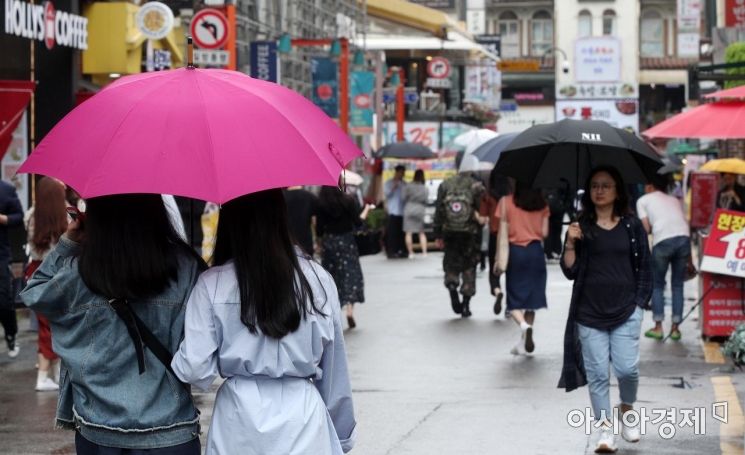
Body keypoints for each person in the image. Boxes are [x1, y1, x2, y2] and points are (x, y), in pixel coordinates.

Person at [171, 189, 356, 455]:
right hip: (304, 420)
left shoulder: (212, 284)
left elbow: (195, 370)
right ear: (281, 217)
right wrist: (343, 436)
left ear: (230, 222)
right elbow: (335, 373)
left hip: (238, 423)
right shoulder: (318, 280)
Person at [20, 194, 204, 453]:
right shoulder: (185, 266)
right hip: (170, 429)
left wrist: (68, 242)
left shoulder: (80, 270)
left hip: (100, 429)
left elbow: (33, 294)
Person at [559, 166, 652, 453]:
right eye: (595, 186)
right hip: (589, 312)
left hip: (626, 309)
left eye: (606, 185)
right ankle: (604, 430)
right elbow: (570, 270)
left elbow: (646, 268)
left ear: (617, 191)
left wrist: (638, 305)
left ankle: (627, 409)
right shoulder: (581, 225)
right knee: (598, 374)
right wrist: (570, 242)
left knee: (627, 370)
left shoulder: (632, 226)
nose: (599, 190)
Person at [24, 177, 68, 391]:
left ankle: (56, 373)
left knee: (46, 325)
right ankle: (44, 376)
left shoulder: (32, 216)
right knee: (55, 325)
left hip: (36, 273)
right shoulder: (65, 218)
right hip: (58, 275)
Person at [495, 182, 549, 355]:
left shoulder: (505, 202)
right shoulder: (542, 204)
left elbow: (500, 229)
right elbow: (545, 233)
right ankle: (524, 339)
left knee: (514, 298)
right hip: (536, 252)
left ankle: (524, 326)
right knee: (531, 300)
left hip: (516, 252)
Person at [636, 175, 691, 341]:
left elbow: (646, 228)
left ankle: (658, 327)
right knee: (677, 285)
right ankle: (675, 329)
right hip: (683, 239)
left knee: (658, 285)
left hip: (663, 241)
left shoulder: (643, 200)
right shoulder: (674, 200)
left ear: (650, 185)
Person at [317, 186, 373, 329]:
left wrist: (319, 242)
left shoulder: (321, 204)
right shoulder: (348, 200)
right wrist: (366, 210)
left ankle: (333, 314)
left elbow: (319, 229)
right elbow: (358, 222)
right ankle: (349, 311)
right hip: (347, 241)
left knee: (332, 277)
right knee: (351, 274)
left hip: (330, 243)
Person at [433, 172, 484, 318]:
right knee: (469, 266)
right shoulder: (476, 186)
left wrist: (437, 233)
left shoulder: (445, 184)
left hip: (450, 232)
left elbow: (438, 211)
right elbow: (482, 211)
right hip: (470, 233)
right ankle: (466, 304)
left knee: (451, 263)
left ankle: (452, 286)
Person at [480, 169, 511, 316]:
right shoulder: (511, 198)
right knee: (511, 272)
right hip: (510, 238)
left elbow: (482, 218)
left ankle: (497, 290)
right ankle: (509, 306)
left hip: (495, 237)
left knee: (495, 270)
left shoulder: (488, 196)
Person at [0, 180, 23, 358]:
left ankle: (11, 333)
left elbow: (18, 215)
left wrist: (4, 219)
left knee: (4, 299)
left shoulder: (6, 189)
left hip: (1, 253)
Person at [284, 186, 319, 256]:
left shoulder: (281, 197)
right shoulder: (310, 197)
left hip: (285, 243)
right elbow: (315, 221)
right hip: (305, 243)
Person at [403, 169, 428, 258]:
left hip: (409, 208)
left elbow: (403, 197)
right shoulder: (424, 187)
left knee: (408, 232)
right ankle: (424, 252)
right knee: (421, 232)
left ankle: (411, 253)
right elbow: (426, 199)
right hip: (420, 209)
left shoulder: (408, 186)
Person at [384, 165, 408, 258]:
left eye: (403, 173)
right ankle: (392, 251)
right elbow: (387, 194)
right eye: (401, 173)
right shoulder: (388, 183)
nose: (402, 175)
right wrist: (394, 187)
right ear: (397, 172)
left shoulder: (405, 184)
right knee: (392, 233)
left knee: (401, 233)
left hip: (402, 212)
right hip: (393, 211)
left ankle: (401, 250)